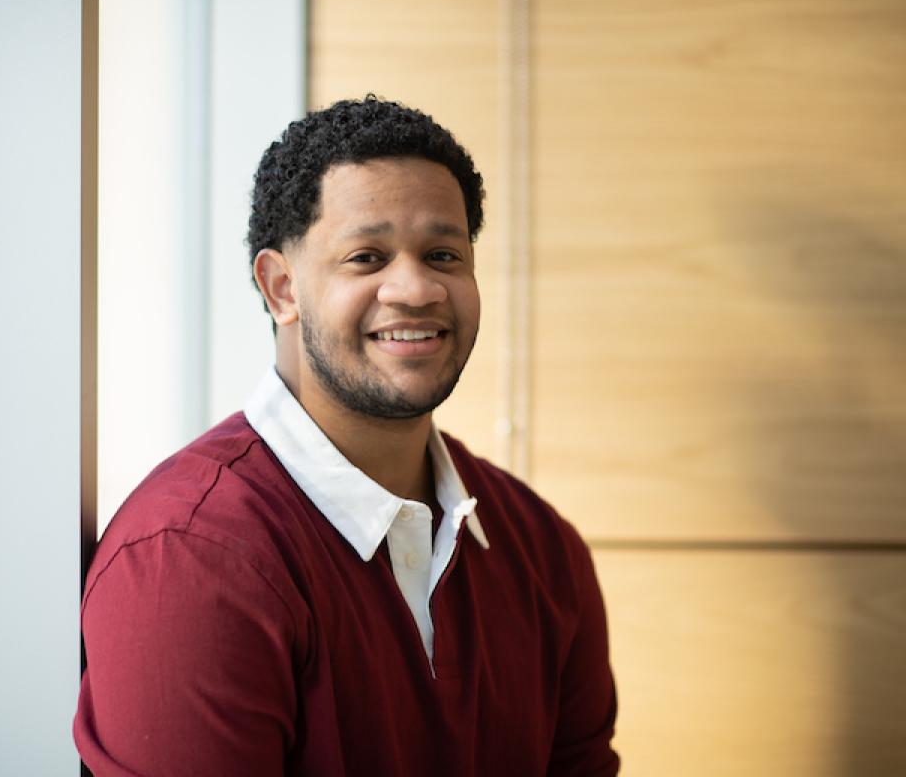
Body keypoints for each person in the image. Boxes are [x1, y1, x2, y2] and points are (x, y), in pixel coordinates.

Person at [74, 97, 619, 776]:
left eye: (443, 254)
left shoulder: (543, 548)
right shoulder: (188, 559)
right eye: (367, 257)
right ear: (281, 289)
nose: (416, 288)